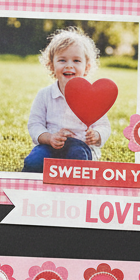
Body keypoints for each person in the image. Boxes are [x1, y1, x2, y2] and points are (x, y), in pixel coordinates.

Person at [21, 28, 111, 173]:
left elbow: (104, 126)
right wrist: (49, 138)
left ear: (86, 67)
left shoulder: (91, 97)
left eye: (76, 60)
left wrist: (97, 135)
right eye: (62, 60)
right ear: (51, 65)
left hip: (80, 146)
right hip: (49, 145)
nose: (69, 65)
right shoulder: (44, 95)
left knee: (77, 159)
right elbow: (35, 124)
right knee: (34, 162)